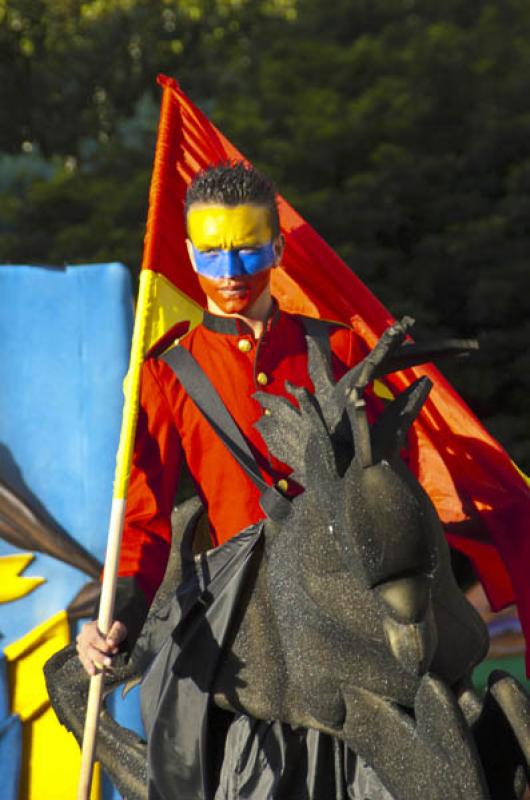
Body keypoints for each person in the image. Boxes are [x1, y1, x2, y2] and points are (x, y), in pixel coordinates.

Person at [76, 161, 391, 799]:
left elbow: (387, 489)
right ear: (189, 254)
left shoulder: (341, 353)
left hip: (356, 620)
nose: (230, 274)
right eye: (212, 253)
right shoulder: (167, 374)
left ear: (277, 246)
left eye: (248, 249)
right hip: (238, 627)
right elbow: (142, 519)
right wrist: (116, 619)